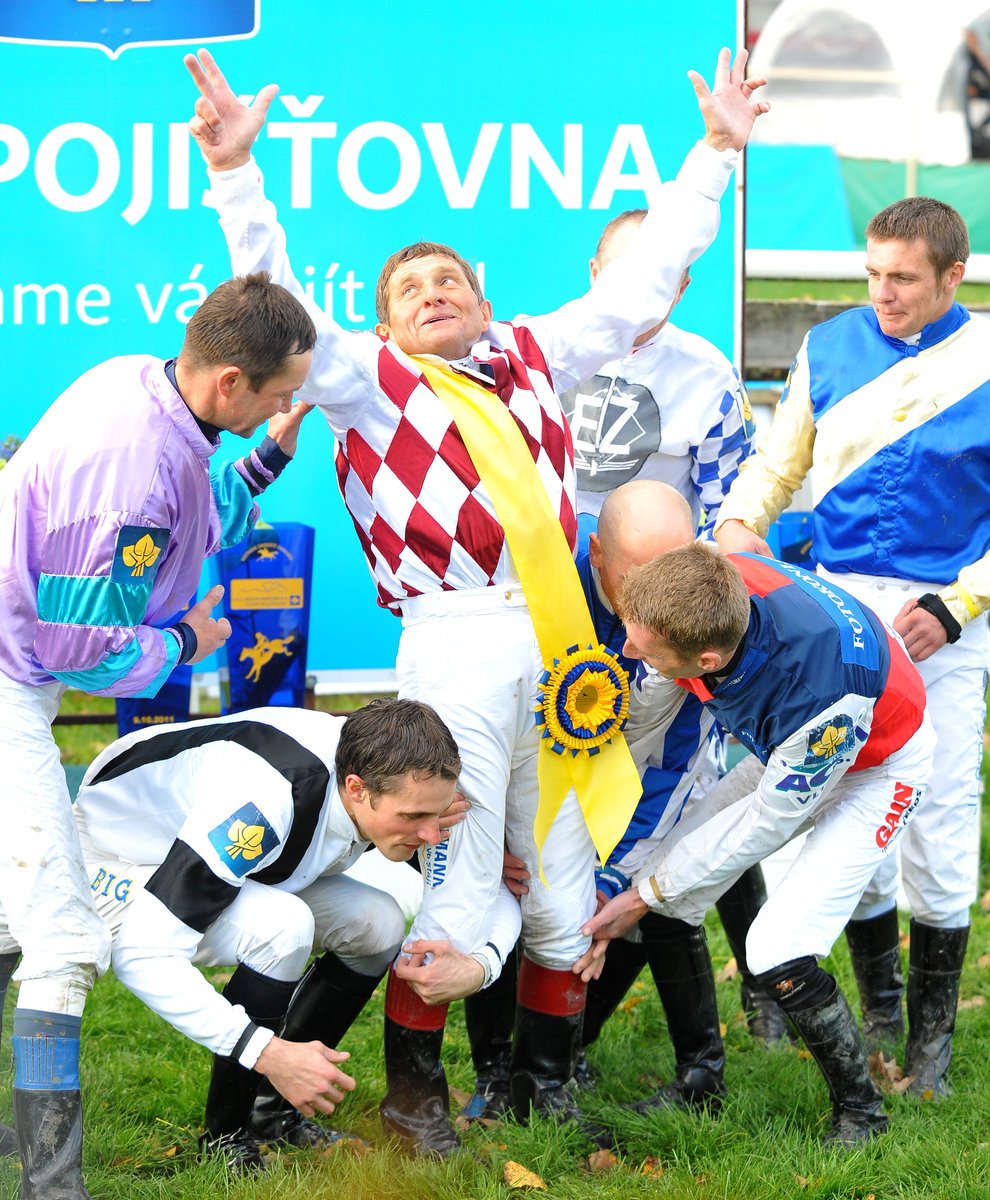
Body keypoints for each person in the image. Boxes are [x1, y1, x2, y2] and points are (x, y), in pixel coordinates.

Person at [184, 44, 768, 1156]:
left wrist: (717, 152)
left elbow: (647, 276)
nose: (432, 291)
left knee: (554, 895)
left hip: (558, 652)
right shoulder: (362, 378)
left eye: (448, 277)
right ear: (382, 324)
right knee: (452, 888)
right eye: (408, 289)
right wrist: (235, 175)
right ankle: (416, 1103)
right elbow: (274, 288)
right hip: (450, 647)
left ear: (486, 299)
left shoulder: (539, 352)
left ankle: (538, 1090)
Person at [0, 271, 315, 1198]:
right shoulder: (131, 470)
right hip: (14, 680)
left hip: (16, 674)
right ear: (229, 382)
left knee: (25, 905)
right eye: (279, 391)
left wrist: (262, 463)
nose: (286, 403)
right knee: (62, 940)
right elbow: (81, 646)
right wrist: (185, 639)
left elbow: (191, 515)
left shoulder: (148, 385)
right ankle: (52, 1187)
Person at [714, 196, 988, 1099]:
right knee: (837, 802)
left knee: (942, 820)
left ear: (955, 274)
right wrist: (741, 524)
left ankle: (933, 1052)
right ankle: (877, 1011)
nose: (883, 293)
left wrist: (958, 606)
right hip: (835, 616)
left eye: (903, 278)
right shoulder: (828, 347)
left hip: (943, 620)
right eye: (872, 273)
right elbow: (777, 460)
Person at [581, 544, 934, 1145]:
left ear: (708, 658)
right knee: (667, 874)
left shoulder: (820, 698)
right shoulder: (705, 582)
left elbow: (762, 826)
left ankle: (861, 1113)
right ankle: (675, 1077)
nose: (632, 651)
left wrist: (642, 892)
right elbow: (647, 711)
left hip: (876, 764)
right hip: (799, 734)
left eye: (646, 648)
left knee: (776, 946)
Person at [72, 699, 465, 1173]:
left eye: (436, 815)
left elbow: (412, 821)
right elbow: (144, 953)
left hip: (215, 850)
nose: (432, 833)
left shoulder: (386, 766)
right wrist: (266, 1051)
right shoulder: (264, 799)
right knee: (282, 926)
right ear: (357, 789)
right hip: (115, 859)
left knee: (378, 923)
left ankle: (271, 1112)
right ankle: (227, 1137)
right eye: (413, 818)